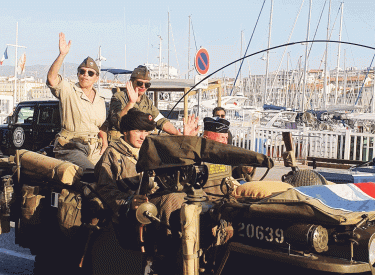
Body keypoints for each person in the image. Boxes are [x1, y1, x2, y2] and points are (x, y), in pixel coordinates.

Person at [89, 109, 199, 274]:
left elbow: (176, 167)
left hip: (153, 205)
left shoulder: (153, 150)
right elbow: (105, 187)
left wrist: (186, 139)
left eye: (147, 131)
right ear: (125, 131)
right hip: (128, 213)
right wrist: (127, 201)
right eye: (138, 131)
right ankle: (166, 258)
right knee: (171, 200)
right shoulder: (113, 153)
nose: (143, 136)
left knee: (184, 199)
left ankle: (182, 251)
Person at [47, 32, 108, 170]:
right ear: (78, 74)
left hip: (94, 148)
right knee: (91, 174)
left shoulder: (100, 100)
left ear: (96, 78)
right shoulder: (68, 91)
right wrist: (62, 55)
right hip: (70, 146)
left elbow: (101, 125)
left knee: (111, 173)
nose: (85, 75)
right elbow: (52, 79)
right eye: (82, 71)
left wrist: (104, 141)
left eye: (90, 73)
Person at [107, 65, 182, 140]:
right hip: (121, 141)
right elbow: (117, 122)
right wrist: (131, 103)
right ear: (131, 82)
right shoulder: (119, 97)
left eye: (147, 84)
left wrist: (179, 134)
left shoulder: (146, 100)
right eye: (140, 83)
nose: (143, 87)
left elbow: (160, 120)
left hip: (139, 140)